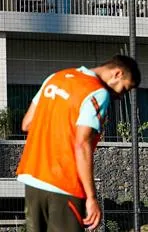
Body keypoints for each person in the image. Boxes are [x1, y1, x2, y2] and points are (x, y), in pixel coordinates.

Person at [17, 54, 142, 232]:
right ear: (117, 74)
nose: (120, 96)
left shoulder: (55, 77)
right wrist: (91, 197)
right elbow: (82, 143)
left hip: (33, 176)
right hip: (64, 183)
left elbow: (27, 123)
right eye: (124, 89)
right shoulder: (97, 92)